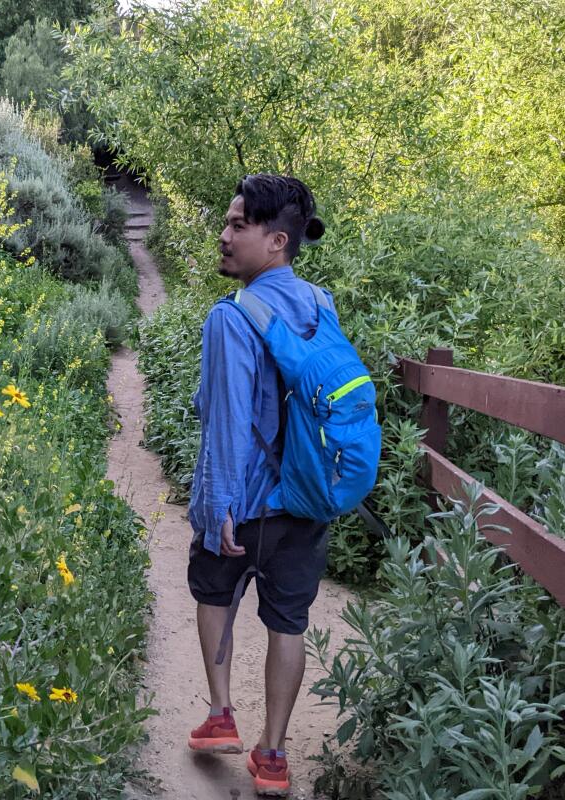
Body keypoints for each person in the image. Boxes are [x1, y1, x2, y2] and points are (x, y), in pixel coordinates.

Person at [185, 174, 332, 797]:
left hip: (242, 505)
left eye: (236, 225)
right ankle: (272, 755)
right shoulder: (321, 303)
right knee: (288, 624)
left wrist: (217, 505)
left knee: (216, 596)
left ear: (275, 241)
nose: (222, 236)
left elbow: (226, 420)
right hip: (304, 501)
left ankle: (221, 716)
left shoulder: (232, 317)